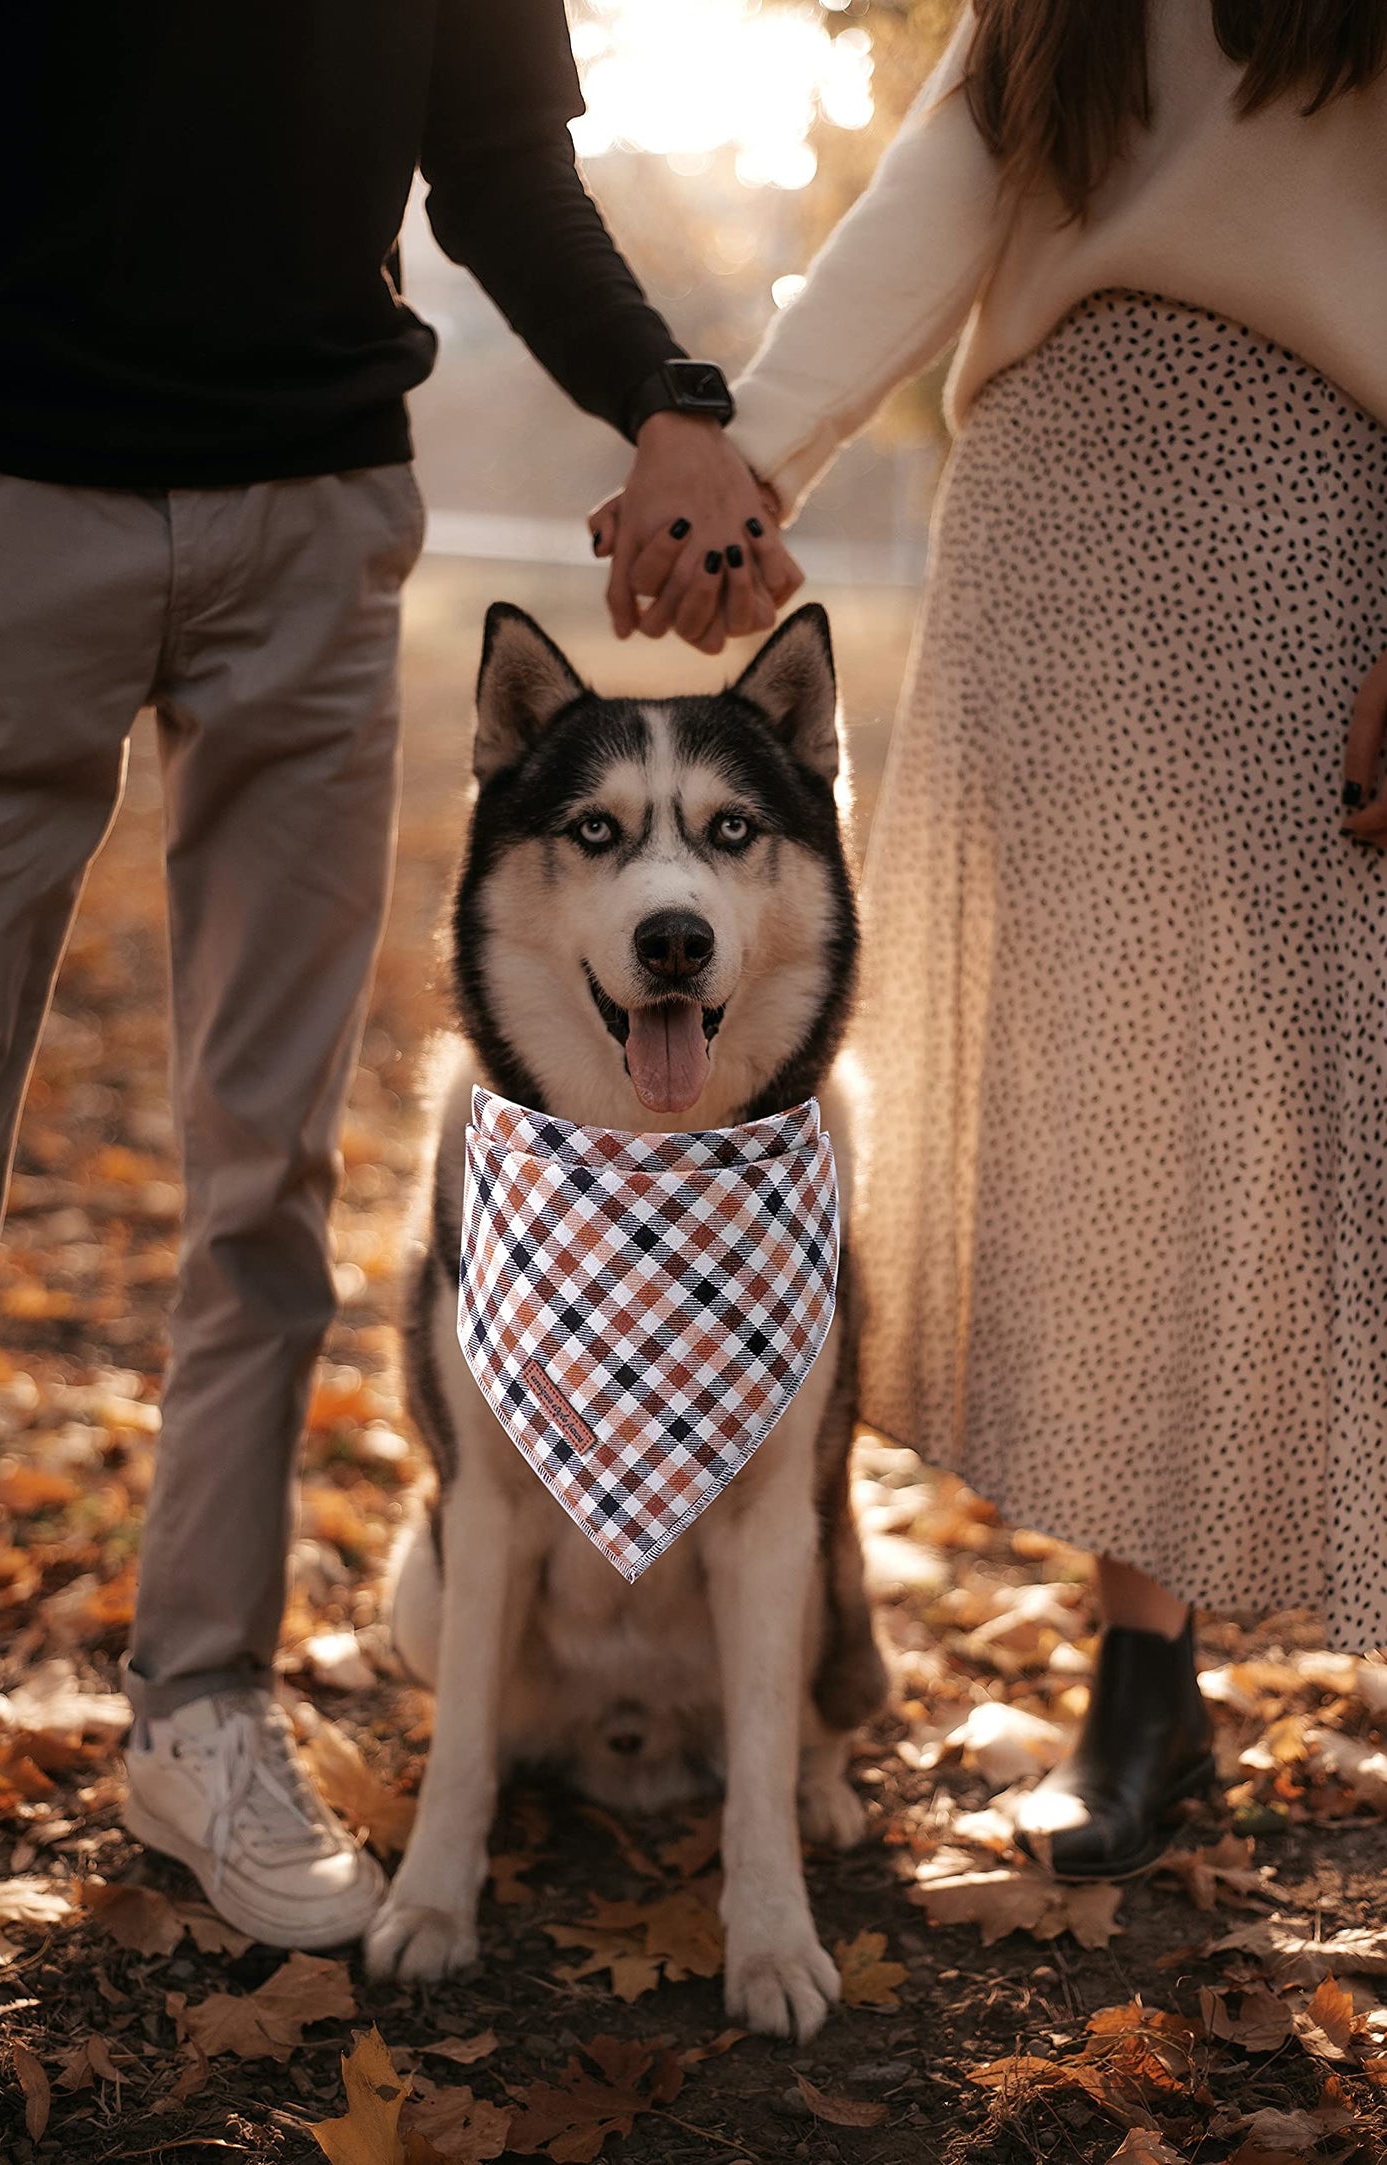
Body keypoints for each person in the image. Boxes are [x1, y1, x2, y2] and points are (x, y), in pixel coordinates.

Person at [0, 1, 802, 1950]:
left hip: (311, 531)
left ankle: (200, 1713)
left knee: (268, 1182)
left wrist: (668, 395)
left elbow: (496, 157)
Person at [706, 0, 1386, 1878]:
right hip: (1047, 519)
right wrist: (748, 457)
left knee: (1325, 1102)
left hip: (1300, 506)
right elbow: (947, 172)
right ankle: (1142, 1691)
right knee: (1114, 1119)